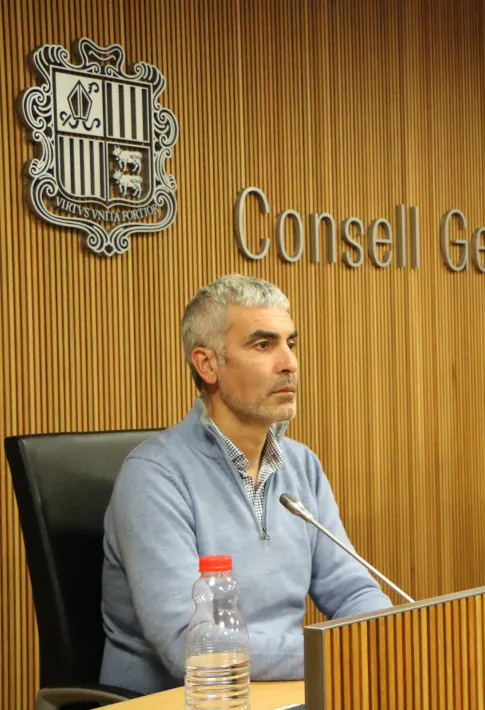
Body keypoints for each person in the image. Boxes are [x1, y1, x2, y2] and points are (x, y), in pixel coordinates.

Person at [100, 275, 393, 694]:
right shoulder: (153, 477)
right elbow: (193, 645)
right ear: (207, 365)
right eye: (263, 345)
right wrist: (338, 652)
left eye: (291, 343)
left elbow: (352, 592)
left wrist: (379, 639)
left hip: (283, 693)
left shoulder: (301, 465)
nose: (289, 362)